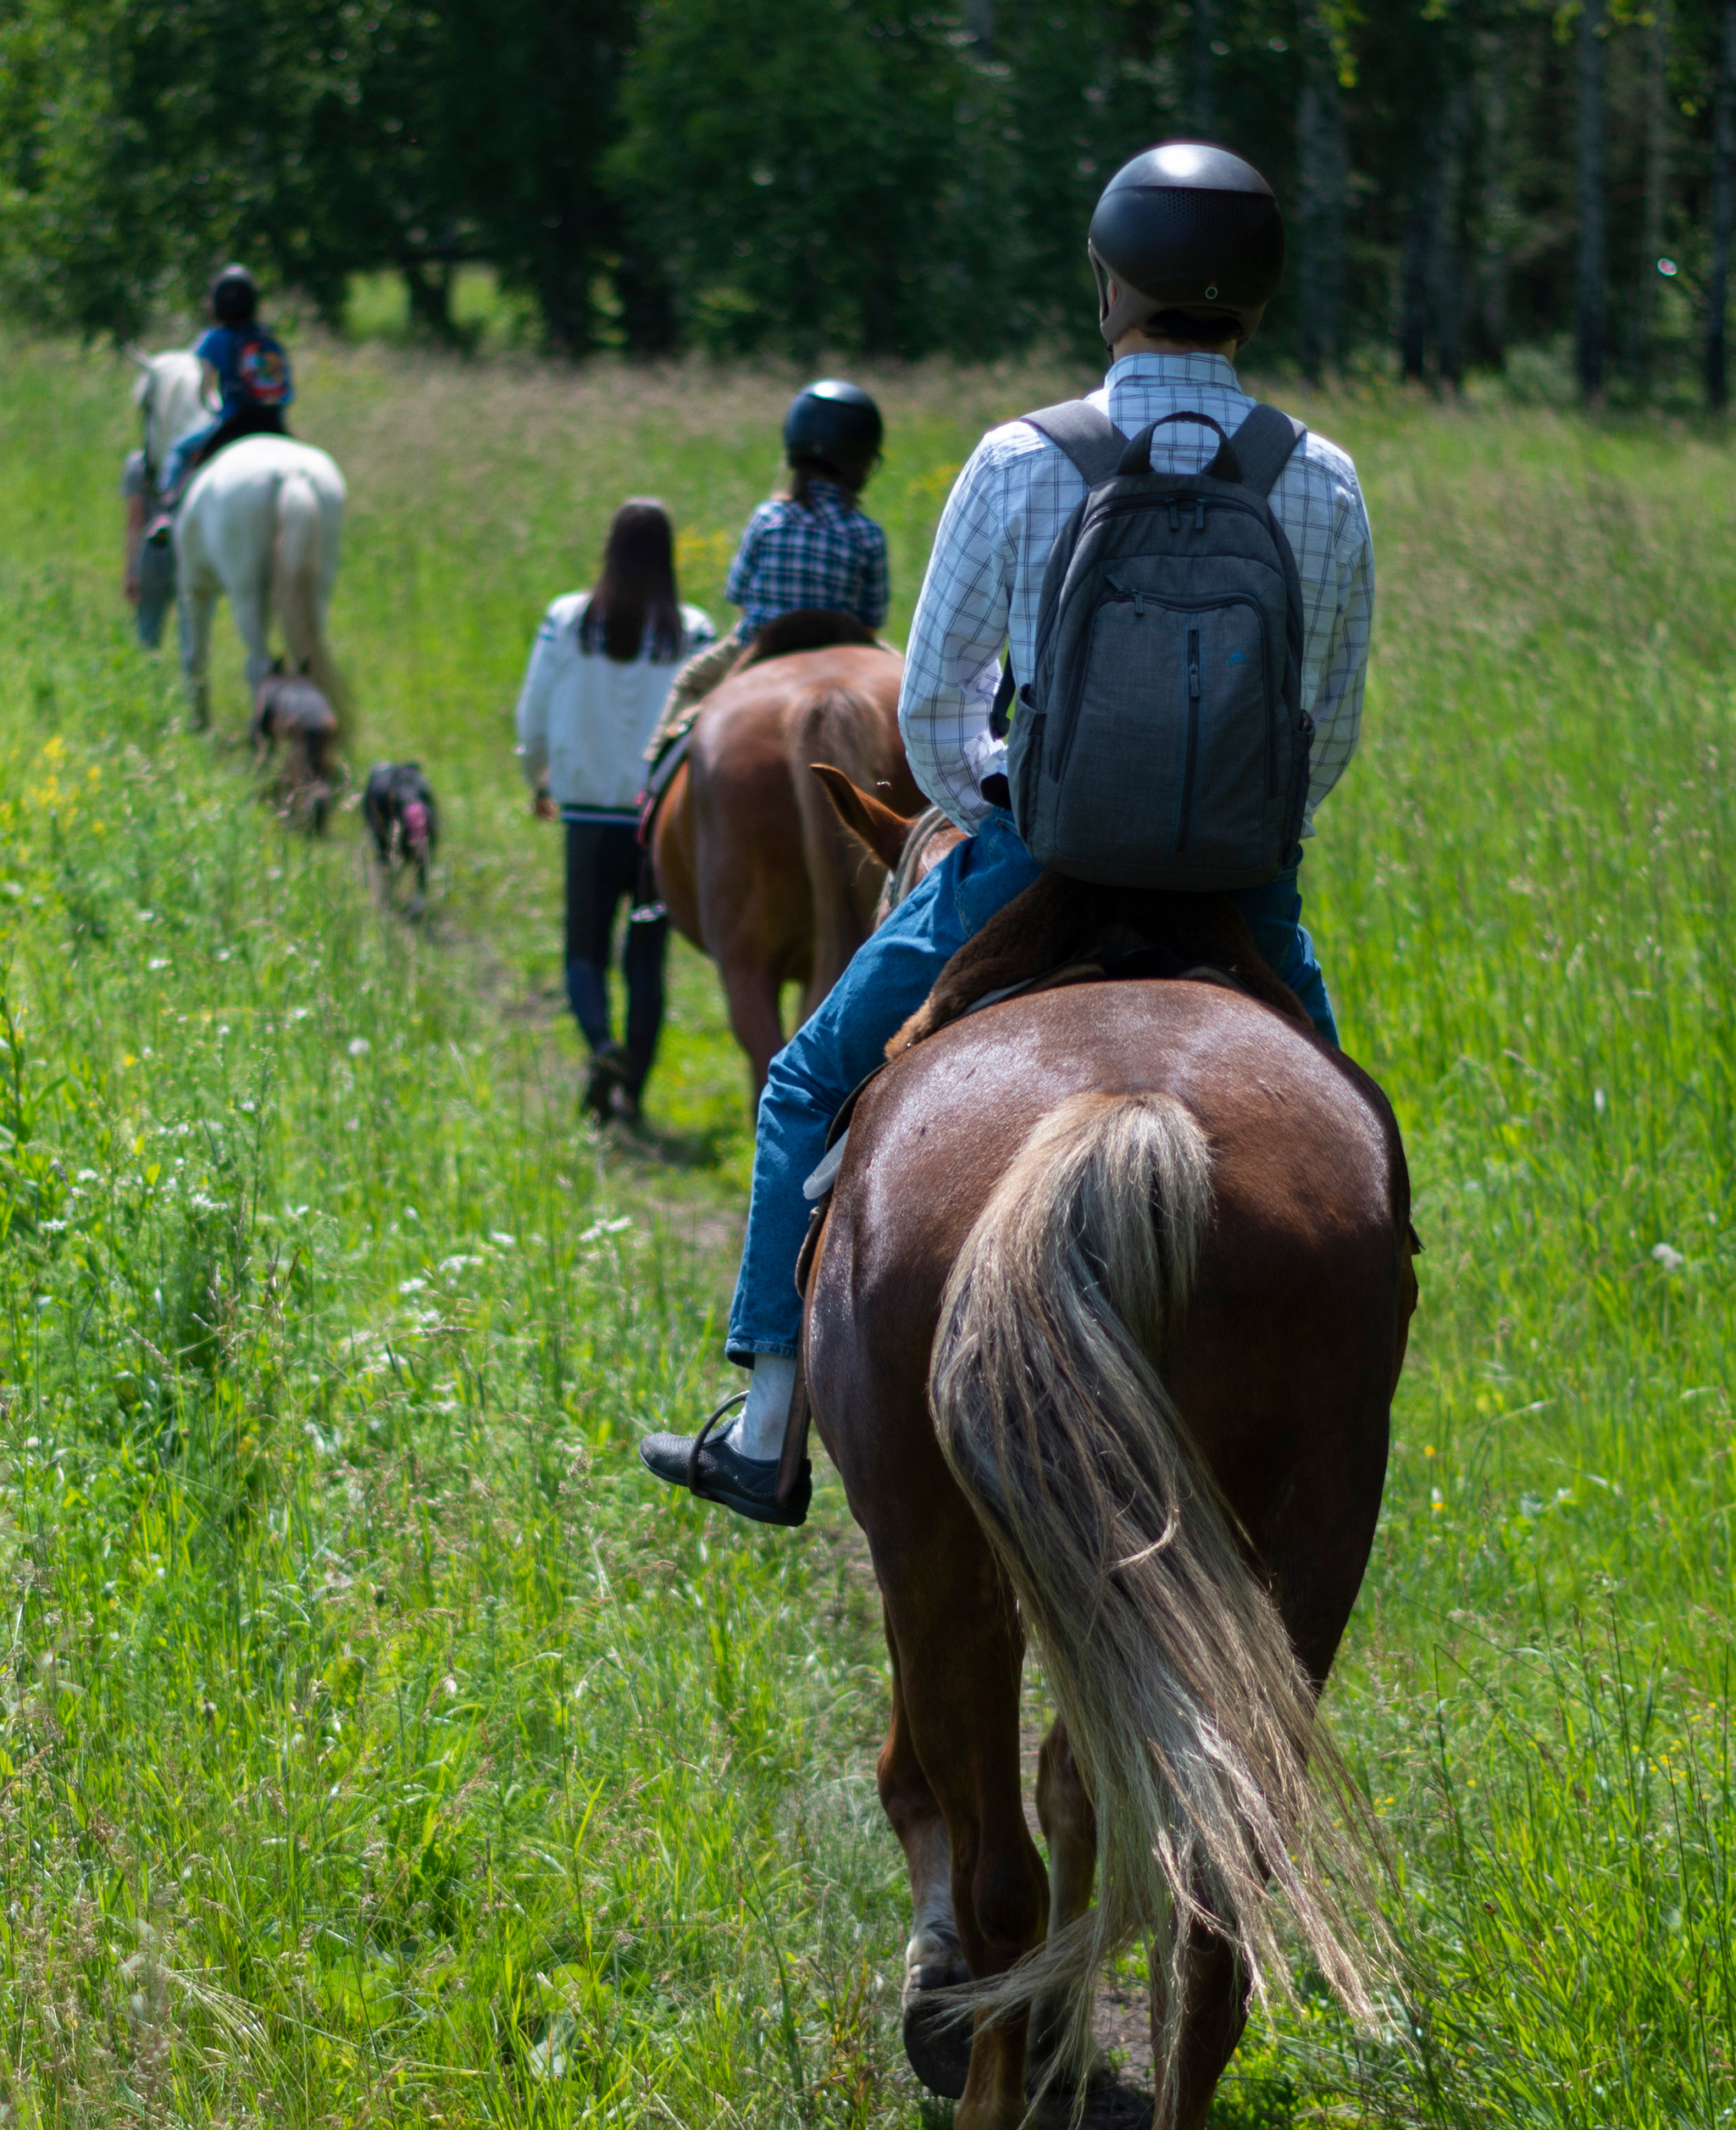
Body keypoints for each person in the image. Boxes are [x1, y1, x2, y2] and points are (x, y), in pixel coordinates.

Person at [641, 141, 1376, 1527]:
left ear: (1110, 286)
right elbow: (1323, 729)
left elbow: (928, 715)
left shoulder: (1022, 457)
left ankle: (763, 1428)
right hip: (1243, 881)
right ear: (1258, 303)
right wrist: (1233, 834)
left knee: (804, 1085)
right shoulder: (1321, 479)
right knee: (1353, 1151)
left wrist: (1016, 805)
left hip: (1036, 860)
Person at [516, 500, 718, 1123]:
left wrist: (537, 776)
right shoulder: (693, 630)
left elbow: (533, 709)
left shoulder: (568, 619)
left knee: (584, 944)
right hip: (653, 818)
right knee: (645, 957)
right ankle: (632, 1088)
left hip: (585, 808)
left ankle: (601, 1044)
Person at [643, 381, 890, 770]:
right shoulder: (866, 532)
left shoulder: (767, 517)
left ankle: (654, 776)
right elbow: (872, 618)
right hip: (845, 642)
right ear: (863, 461)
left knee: (691, 681)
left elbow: (737, 591)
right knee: (911, 688)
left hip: (760, 641)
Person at [147, 265, 293, 532]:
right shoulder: (267, 337)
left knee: (180, 450)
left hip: (235, 422)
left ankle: (167, 512)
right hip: (274, 422)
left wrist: (212, 406)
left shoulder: (214, 339)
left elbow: (205, 391)